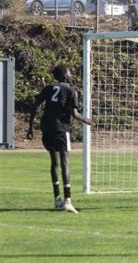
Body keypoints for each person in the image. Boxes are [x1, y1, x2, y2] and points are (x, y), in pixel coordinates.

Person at [27, 65, 92, 213]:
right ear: (64, 74)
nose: (71, 74)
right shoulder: (71, 90)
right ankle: (67, 200)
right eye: (69, 71)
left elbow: (34, 105)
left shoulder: (48, 88)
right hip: (61, 130)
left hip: (47, 129)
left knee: (54, 162)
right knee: (65, 162)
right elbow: (74, 114)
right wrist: (87, 120)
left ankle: (57, 198)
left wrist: (30, 127)